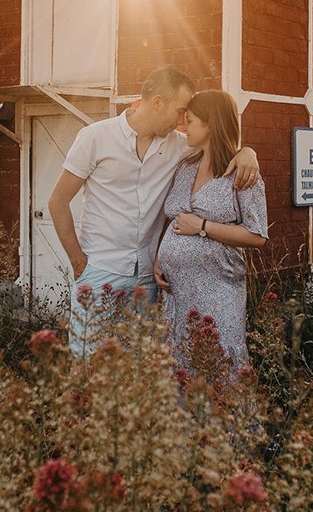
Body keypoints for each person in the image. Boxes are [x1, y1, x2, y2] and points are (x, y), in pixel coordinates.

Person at [48, 67, 259, 355]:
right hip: (99, 273)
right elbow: (57, 201)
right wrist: (79, 263)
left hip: (148, 280)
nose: (183, 121)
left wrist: (247, 152)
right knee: (89, 365)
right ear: (158, 101)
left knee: (140, 369)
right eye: (180, 110)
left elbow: (218, 142)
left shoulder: (180, 146)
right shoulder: (95, 137)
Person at [155, 90, 268, 368]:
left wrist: (202, 226)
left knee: (216, 359)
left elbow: (256, 235)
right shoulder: (185, 166)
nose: (183, 127)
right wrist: (160, 258)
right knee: (178, 360)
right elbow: (172, 219)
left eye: (190, 121)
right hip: (176, 290)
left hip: (218, 288)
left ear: (212, 124)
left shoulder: (242, 173)